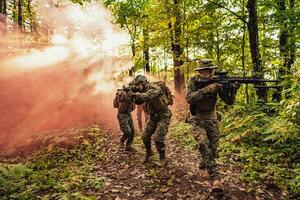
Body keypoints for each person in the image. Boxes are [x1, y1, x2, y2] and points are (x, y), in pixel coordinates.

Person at [186, 59, 239, 192]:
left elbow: (229, 102)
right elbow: (190, 98)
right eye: (205, 70)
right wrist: (207, 89)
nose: (208, 73)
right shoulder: (193, 81)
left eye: (210, 70)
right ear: (199, 72)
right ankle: (215, 179)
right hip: (196, 118)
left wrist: (232, 90)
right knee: (204, 143)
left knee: (213, 149)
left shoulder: (217, 82)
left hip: (212, 118)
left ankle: (205, 161)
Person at [129, 75, 172, 166]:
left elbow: (148, 95)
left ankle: (163, 158)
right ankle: (149, 152)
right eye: (135, 86)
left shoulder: (154, 87)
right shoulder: (142, 91)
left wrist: (134, 94)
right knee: (144, 136)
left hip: (163, 115)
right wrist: (131, 95)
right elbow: (139, 101)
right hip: (153, 117)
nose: (136, 87)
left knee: (158, 137)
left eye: (137, 85)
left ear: (143, 83)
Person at [113, 86, 136, 151]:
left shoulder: (133, 94)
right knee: (128, 131)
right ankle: (122, 141)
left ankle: (128, 145)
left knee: (133, 131)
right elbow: (122, 100)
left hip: (128, 114)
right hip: (122, 115)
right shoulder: (123, 94)